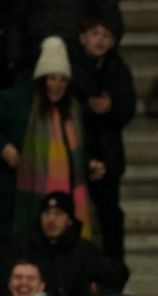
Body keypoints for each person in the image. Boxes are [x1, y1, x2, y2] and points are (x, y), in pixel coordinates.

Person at [12, 36, 102, 237]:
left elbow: (73, 153)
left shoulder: (73, 109)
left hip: (70, 196)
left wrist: (89, 164)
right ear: (42, 79)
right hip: (37, 194)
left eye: (62, 79)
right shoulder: (24, 103)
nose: (57, 85)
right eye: (52, 78)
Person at [68, 13, 135, 259]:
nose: (100, 40)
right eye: (95, 33)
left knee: (110, 215)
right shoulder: (69, 67)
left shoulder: (117, 68)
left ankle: (114, 273)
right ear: (82, 37)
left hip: (108, 152)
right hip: (74, 151)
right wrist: (90, 108)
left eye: (106, 36)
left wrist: (111, 108)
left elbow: (128, 106)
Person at [3, 191, 102, 296]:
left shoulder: (86, 251)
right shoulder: (21, 245)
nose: (51, 219)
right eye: (46, 213)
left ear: (69, 220)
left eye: (58, 214)